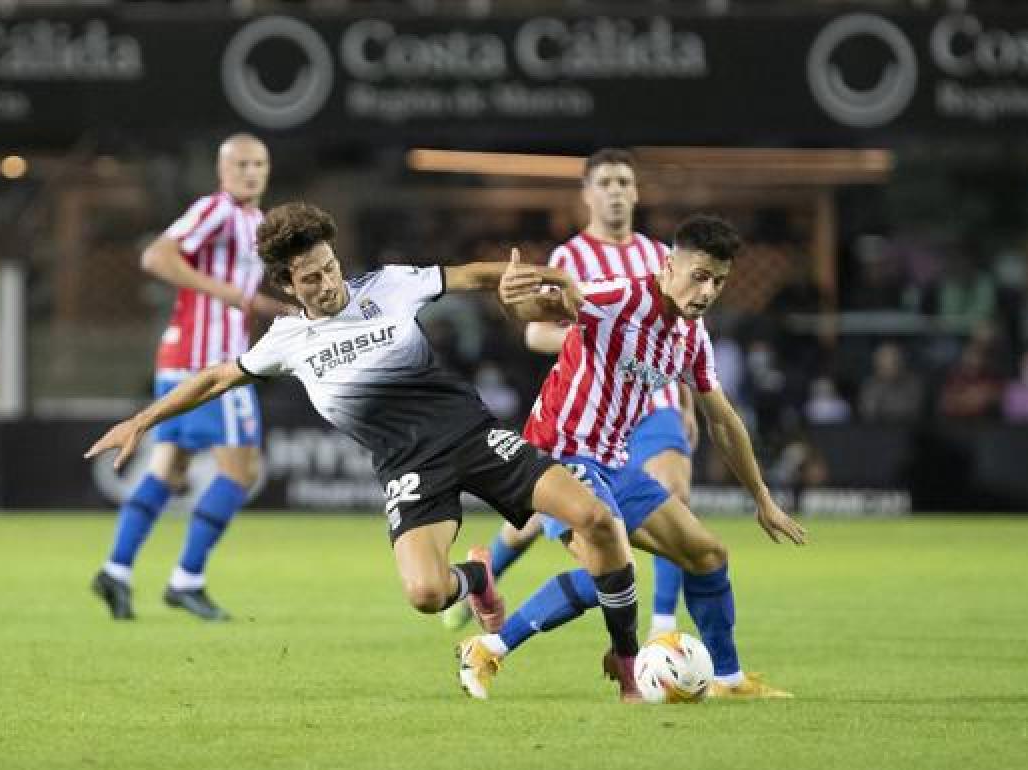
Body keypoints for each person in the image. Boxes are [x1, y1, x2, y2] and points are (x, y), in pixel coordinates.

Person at [85, 202, 644, 679]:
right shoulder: (287, 341)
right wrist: (142, 421)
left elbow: (471, 274)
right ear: (286, 284)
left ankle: (626, 657)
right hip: (409, 470)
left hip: (475, 437)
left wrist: (538, 275)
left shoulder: (390, 285)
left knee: (595, 519)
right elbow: (214, 378)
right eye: (311, 279)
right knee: (425, 595)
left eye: (329, 268)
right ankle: (478, 577)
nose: (327, 284)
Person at [457, 215, 807, 701]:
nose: (707, 291)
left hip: (613, 462)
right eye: (699, 276)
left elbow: (722, 420)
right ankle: (489, 647)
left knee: (707, 556)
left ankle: (728, 680)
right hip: (556, 457)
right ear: (668, 266)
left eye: (719, 282)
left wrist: (762, 497)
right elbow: (548, 307)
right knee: (614, 568)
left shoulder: (691, 336)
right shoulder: (619, 297)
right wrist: (517, 298)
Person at [444, 148, 696, 639]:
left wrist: (685, 401)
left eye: (624, 182)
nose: (616, 192)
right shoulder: (569, 259)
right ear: (587, 194)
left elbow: (679, 332)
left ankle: (662, 630)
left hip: (651, 403)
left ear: (637, 191)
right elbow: (537, 334)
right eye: (605, 183)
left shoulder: (660, 256)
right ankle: (484, 579)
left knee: (674, 494)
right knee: (539, 515)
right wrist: (605, 343)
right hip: (589, 411)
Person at [90, 134, 291, 622]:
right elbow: (156, 257)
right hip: (213, 364)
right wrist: (233, 297)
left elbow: (240, 291)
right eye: (241, 164)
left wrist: (263, 304)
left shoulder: (256, 222)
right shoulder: (216, 210)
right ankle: (187, 580)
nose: (251, 172)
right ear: (223, 171)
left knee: (171, 467)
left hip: (181, 358)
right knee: (240, 470)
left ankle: (115, 570)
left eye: (259, 164)